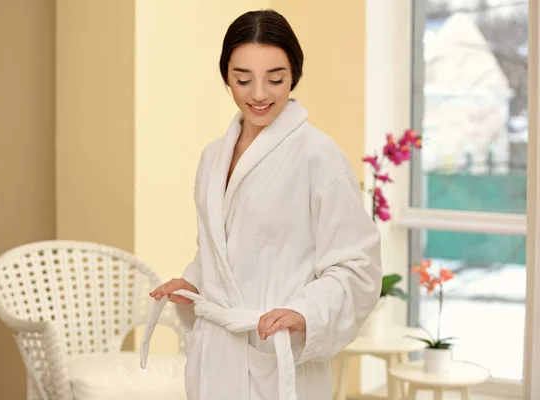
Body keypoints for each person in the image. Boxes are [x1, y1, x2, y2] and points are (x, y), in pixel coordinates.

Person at [142, 9, 382, 400]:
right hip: (216, 358)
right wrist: (193, 284)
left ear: (294, 76)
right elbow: (218, 254)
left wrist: (307, 312)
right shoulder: (212, 157)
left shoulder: (318, 155)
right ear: (226, 78)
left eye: (275, 79)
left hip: (279, 355)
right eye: (242, 79)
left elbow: (358, 267)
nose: (258, 94)